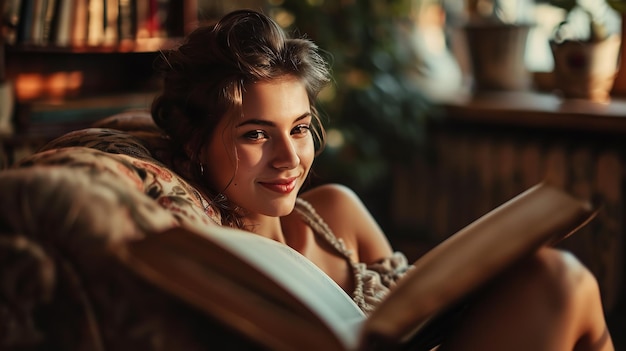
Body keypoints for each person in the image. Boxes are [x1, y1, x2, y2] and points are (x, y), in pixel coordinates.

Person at [150, 9, 614, 351]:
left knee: (557, 275)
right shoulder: (215, 265)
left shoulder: (336, 213)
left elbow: (421, 313)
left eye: (298, 129)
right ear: (195, 144)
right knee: (561, 282)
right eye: (255, 134)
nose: (289, 158)